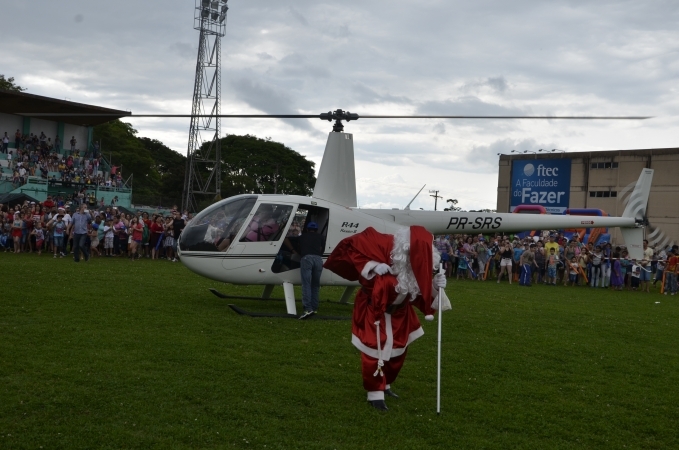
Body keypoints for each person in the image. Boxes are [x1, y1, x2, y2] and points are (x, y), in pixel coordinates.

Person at [323, 226, 448, 411]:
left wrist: (436, 286)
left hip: (401, 315)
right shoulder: (381, 249)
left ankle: (386, 384)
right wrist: (372, 266)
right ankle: (375, 394)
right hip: (374, 312)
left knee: (398, 353)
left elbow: (421, 296)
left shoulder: (415, 270)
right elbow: (353, 251)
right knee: (374, 351)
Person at [284, 222, 326, 319]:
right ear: (316, 230)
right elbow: (321, 249)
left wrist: (294, 251)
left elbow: (300, 249)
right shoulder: (321, 237)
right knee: (315, 285)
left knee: (306, 283)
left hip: (306, 259)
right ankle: (314, 308)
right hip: (318, 260)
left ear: (307, 229)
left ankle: (308, 309)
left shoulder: (302, 237)